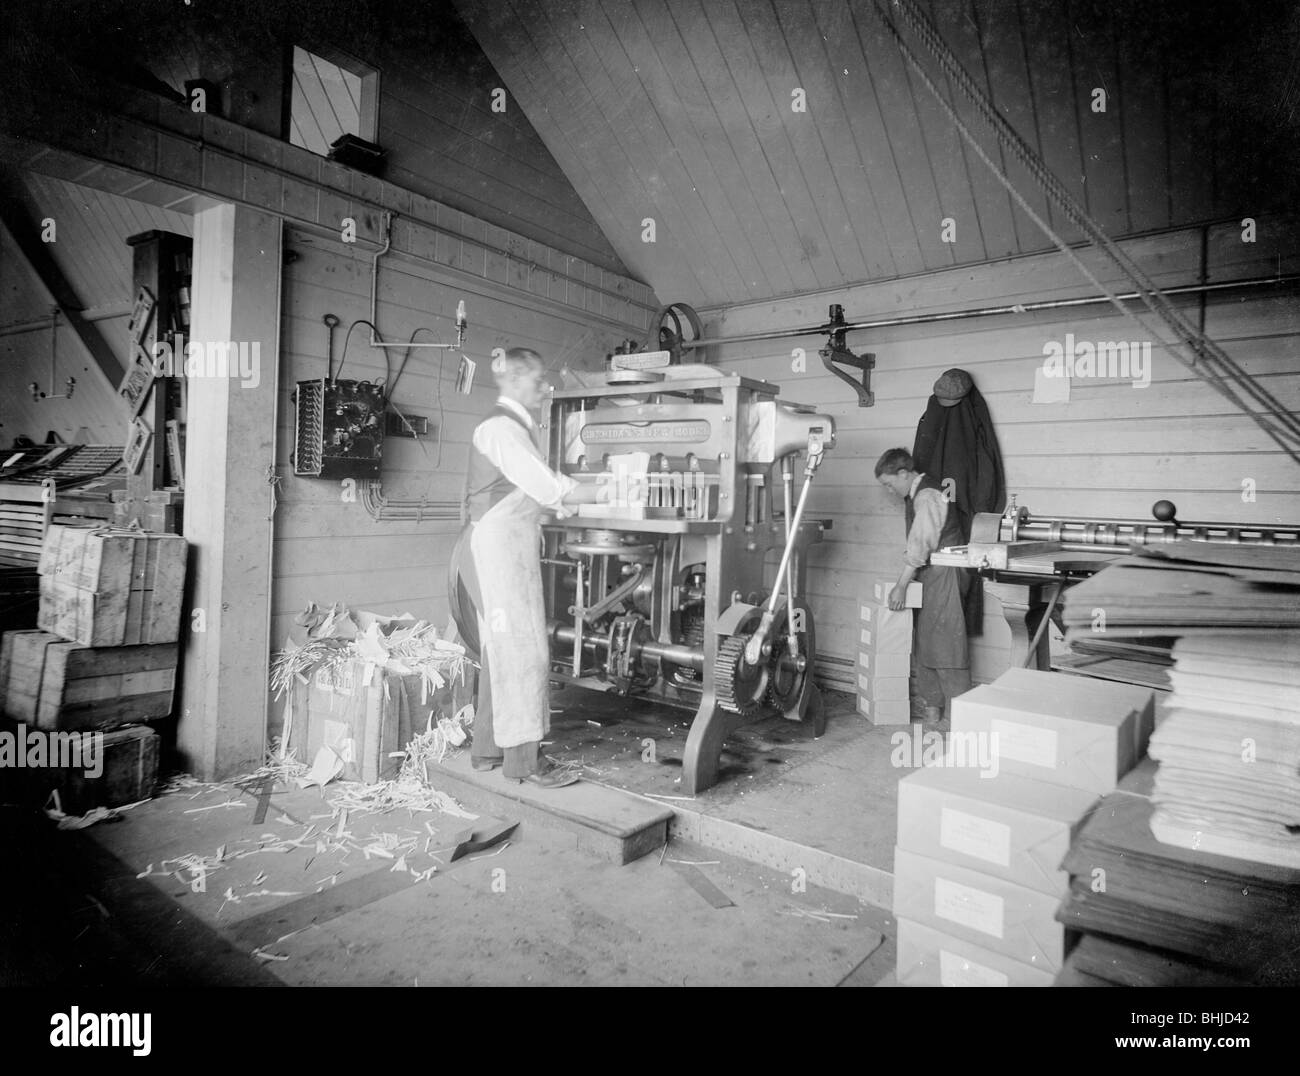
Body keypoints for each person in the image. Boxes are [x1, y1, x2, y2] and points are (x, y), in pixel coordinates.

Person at [453, 348, 602, 788]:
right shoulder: (501, 428)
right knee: (522, 651)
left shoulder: (515, 428)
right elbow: (544, 484)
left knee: (500, 650)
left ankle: (487, 751)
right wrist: (610, 488)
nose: (544, 389)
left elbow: (533, 492)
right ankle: (525, 764)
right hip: (496, 550)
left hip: (505, 545)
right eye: (538, 380)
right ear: (516, 381)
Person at [875, 447, 972, 729]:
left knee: (948, 646)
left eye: (889, 484)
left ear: (904, 473)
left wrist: (901, 585)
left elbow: (920, 544)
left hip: (945, 573)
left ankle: (962, 719)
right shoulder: (917, 494)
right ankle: (934, 709)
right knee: (926, 642)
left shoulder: (928, 495)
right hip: (930, 574)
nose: (890, 491)